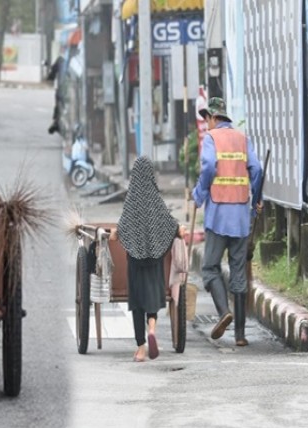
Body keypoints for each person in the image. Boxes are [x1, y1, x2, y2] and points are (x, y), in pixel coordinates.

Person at [193, 97, 262, 346]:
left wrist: (199, 193)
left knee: (210, 268)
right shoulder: (243, 139)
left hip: (218, 216)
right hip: (241, 218)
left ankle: (224, 313)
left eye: (207, 119)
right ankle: (241, 336)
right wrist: (256, 200)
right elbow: (257, 170)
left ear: (213, 117)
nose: (206, 124)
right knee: (238, 272)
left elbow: (210, 165)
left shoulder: (212, 138)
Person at [112, 156, 186, 362]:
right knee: (153, 295)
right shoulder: (156, 200)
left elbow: (122, 228)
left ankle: (141, 348)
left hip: (135, 261)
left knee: (137, 302)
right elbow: (169, 225)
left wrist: (114, 234)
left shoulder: (132, 200)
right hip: (154, 260)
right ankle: (152, 328)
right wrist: (179, 229)